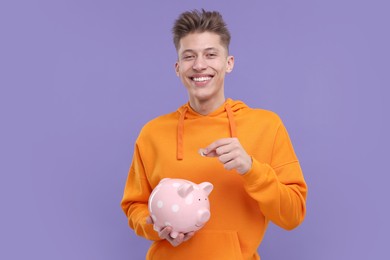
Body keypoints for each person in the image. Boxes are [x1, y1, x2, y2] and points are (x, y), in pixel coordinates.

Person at [121, 9, 307, 260]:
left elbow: (293, 214)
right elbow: (135, 206)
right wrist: (155, 226)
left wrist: (251, 169)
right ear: (178, 68)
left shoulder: (267, 126)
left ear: (228, 63)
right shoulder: (152, 133)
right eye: (189, 56)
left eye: (210, 54)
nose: (199, 65)